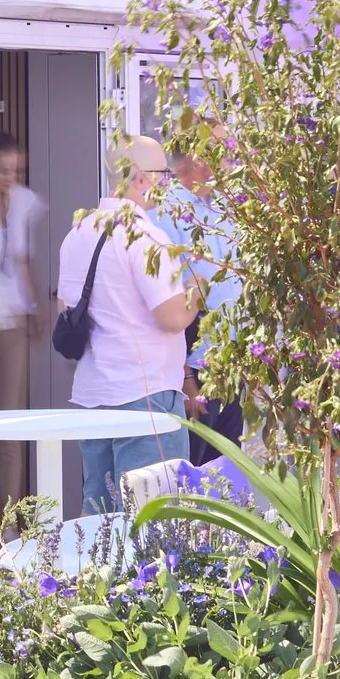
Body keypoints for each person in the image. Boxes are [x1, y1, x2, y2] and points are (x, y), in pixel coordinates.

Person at [56, 134, 198, 514]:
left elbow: (65, 309)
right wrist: (197, 289)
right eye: (162, 174)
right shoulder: (147, 238)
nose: (166, 182)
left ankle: (94, 576)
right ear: (139, 179)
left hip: (93, 394)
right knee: (153, 517)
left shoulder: (77, 233)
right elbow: (172, 318)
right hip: (145, 391)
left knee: (99, 519)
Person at [171, 154, 244, 463]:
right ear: (200, 158)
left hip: (231, 366)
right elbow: (169, 303)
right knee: (193, 471)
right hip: (195, 373)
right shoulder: (167, 210)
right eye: (224, 148)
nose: (233, 157)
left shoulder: (223, 207)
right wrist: (185, 376)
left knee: (226, 471)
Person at [0, 133, 44, 509]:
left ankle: (4, 528)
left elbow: (24, 260)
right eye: (1, 169)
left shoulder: (23, 202)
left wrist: (36, 308)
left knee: (10, 427)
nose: (9, 176)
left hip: (11, 325)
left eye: (15, 170)